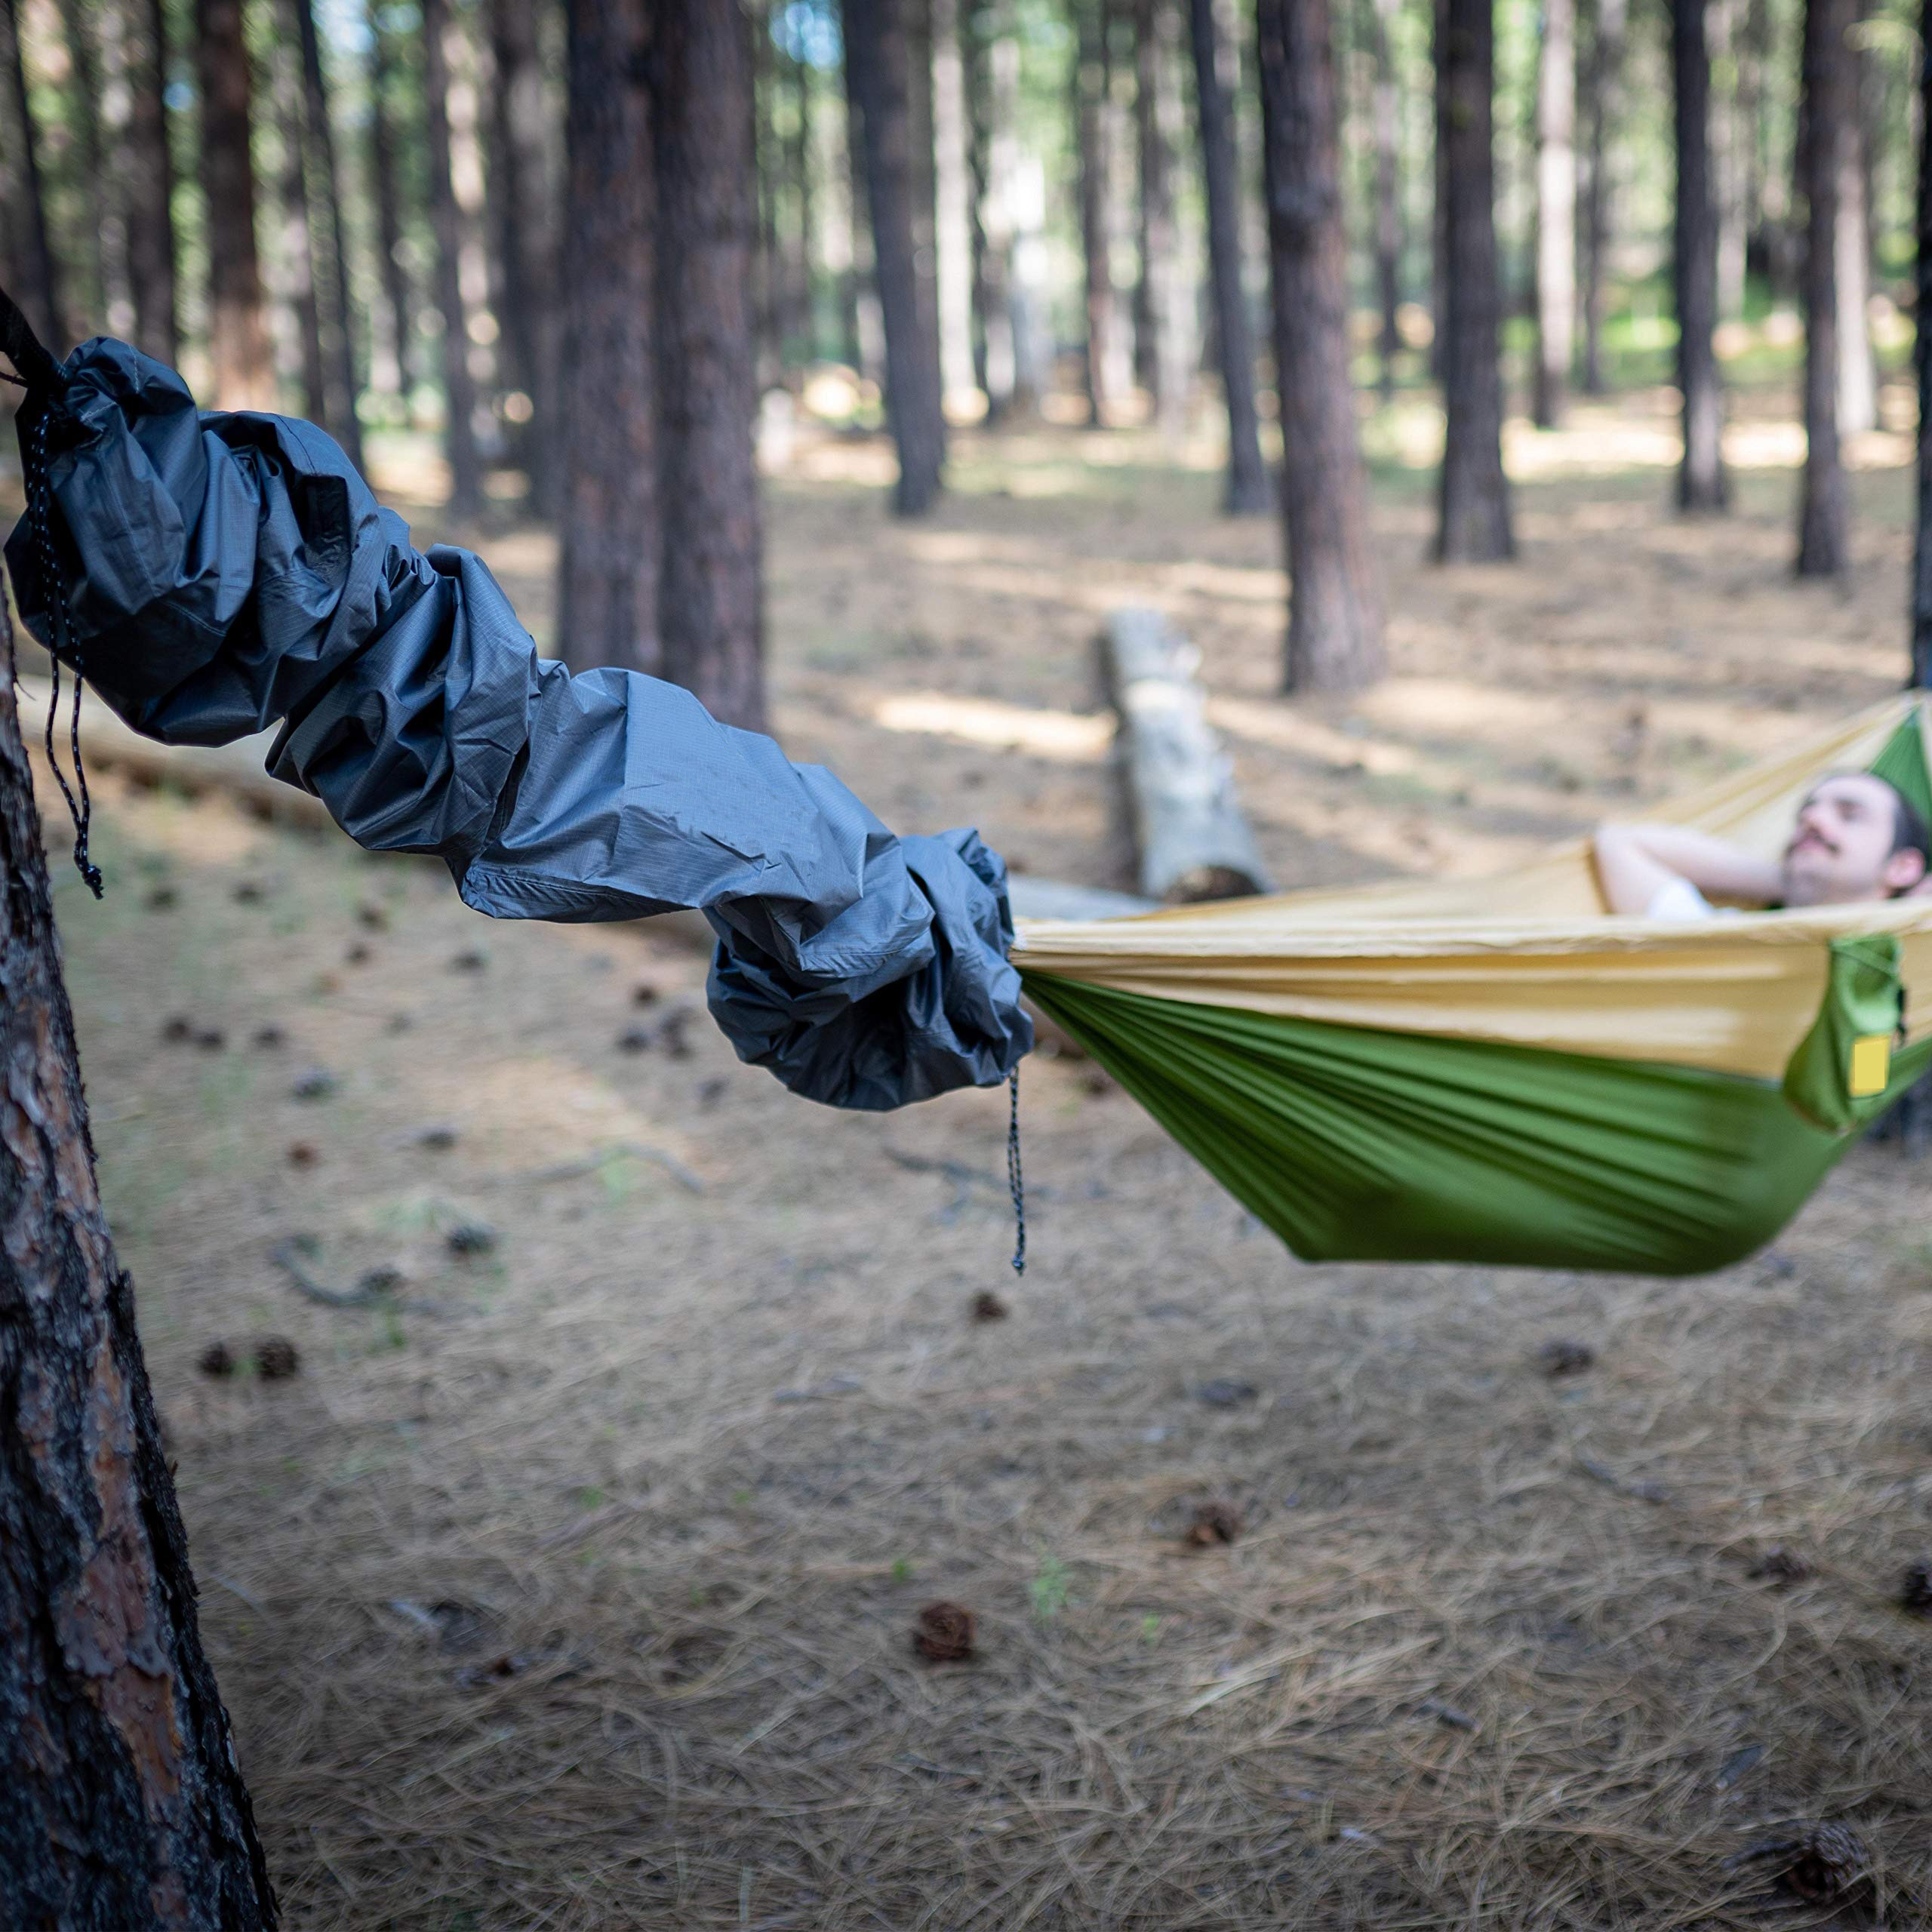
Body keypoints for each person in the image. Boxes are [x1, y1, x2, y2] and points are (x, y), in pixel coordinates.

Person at [1595, 771, 1931, 918]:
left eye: (1849, 815)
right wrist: (1791, 878)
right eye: (1805, 814)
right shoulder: (1722, 938)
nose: (1812, 819)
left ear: (1903, 867)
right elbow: (1619, 843)